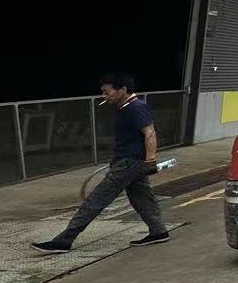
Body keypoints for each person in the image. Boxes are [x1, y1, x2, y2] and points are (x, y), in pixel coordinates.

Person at [32, 74, 169, 254]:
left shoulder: (136, 108)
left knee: (96, 199)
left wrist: (150, 160)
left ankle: (63, 241)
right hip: (129, 161)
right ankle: (159, 231)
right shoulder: (124, 107)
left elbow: (149, 133)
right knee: (142, 198)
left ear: (122, 90)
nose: (104, 96)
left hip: (129, 163)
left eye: (107, 92)